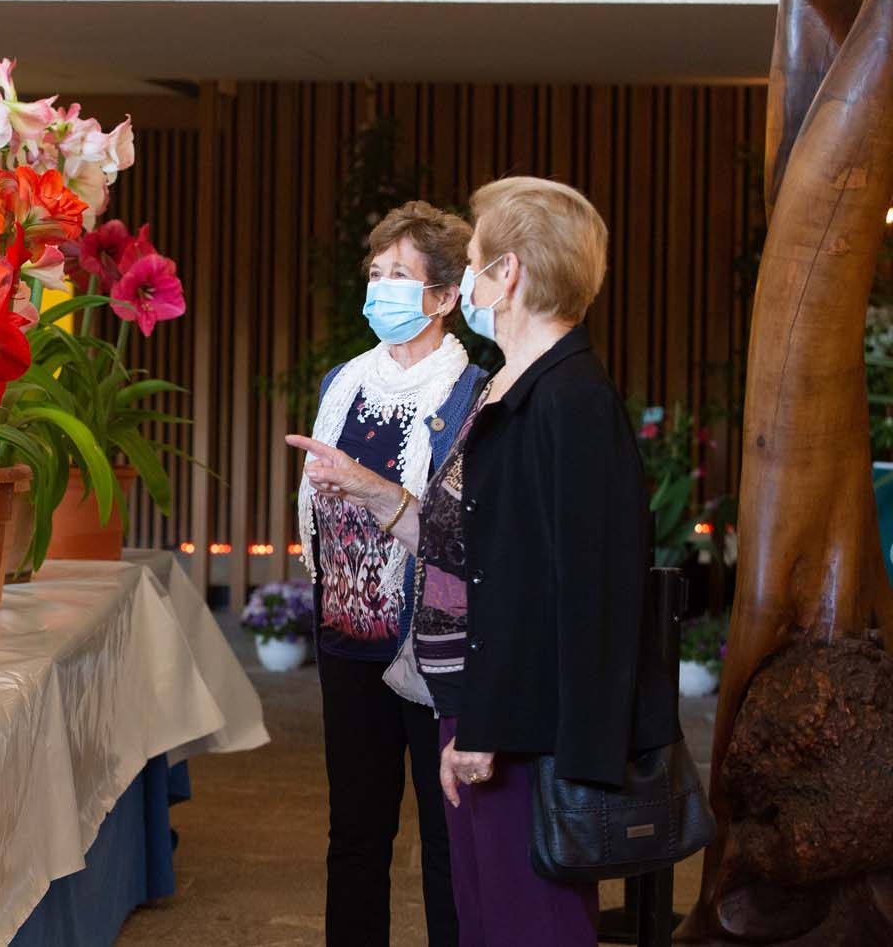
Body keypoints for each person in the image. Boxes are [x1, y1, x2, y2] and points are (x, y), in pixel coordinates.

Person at [290, 177, 680, 946]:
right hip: (481, 714)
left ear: (510, 275)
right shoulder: (520, 390)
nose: (465, 278)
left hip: (521, 736)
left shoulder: (567, 401)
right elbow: (479, 546)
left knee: (523, 922)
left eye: (471, 261)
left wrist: (488, 727)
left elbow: (570, 595)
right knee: (484, 917)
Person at [297, 201, 484, 947]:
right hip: (348, 639)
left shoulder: (473, 393)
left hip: (432, 646)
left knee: (446, 843)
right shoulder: (344, 381)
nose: (382, 289)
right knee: (355, 834)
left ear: (443, 297)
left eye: (400, 276)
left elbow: (467, 526)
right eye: (375, 273)